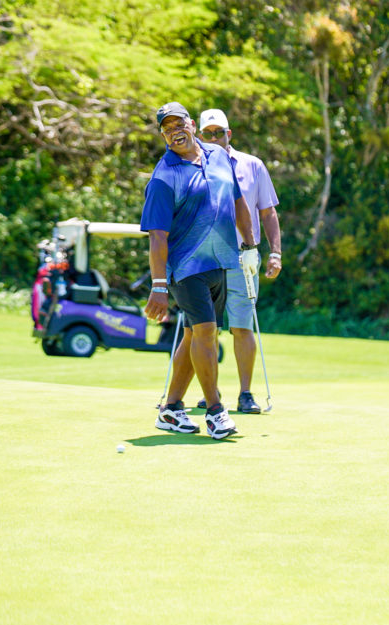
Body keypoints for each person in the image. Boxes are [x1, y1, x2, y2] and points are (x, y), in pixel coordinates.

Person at [141, 102, 259, 440]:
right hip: (185, 265)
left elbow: (238, 201)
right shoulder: (165, 176)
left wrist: (250, 247)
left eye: (180, 124)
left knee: (196, 335)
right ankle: (215, 411)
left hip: (221, 260)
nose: (175, 131)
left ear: (192, 124)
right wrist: (159, 285)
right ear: (163, 134)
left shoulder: (218, 157)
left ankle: (172, 409)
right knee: (206, 332)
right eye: (167, 128)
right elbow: (158, 236)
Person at [194, 108, 282, 414]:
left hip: (243, 255)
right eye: (208, 134)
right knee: (205, 328)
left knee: (242, 326)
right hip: (204, 258)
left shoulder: (252, 165)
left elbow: (267, 211)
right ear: (199, 135)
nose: (214, 138)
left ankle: (245, 394)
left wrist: (275, 252)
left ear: (229, 134)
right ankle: (211, 393)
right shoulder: (191, 166)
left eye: (220, 133)